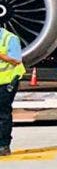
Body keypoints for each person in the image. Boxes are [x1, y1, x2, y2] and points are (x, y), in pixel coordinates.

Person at [0, 27, 26, 157]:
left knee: (3, 114)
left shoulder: (10, 38)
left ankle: (3, 146)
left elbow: (16, 60)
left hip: (7, 83)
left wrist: (0, 54)